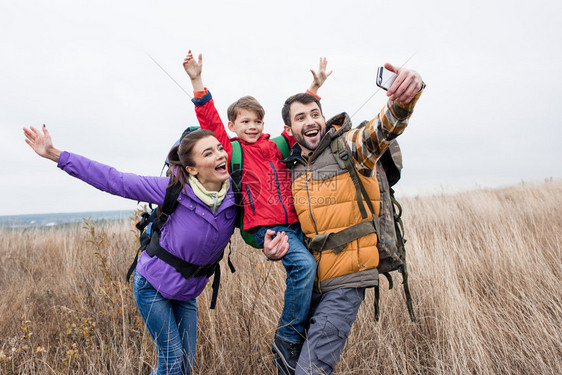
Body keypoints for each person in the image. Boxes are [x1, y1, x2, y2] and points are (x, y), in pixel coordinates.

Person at [22, 124, 290, 375]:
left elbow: (253, 231)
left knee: (185, 366)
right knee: (172, 363)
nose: (220, 154)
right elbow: (114, 180)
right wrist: (56, 154)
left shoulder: (236, 196)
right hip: (152, 286)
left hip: (187, 291)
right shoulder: (173, 190)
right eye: (208, 152)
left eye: (220, 148)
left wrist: (267, 249)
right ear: (193, 168)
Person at [182, 51, 331, 375]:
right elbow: (209, 121)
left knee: (315, 272)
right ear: (233, 125)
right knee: (304, 265)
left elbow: (303, 122)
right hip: (262, 226)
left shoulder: (276, 145)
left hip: (294, 224)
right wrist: (197, 80)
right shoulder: (232, 149)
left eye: (257, 121)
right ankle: (287, 338)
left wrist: (315, 87)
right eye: (245, 121)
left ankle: (303, 336)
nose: (252, 126)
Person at [281, 63, 425, 375]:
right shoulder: (292, 170)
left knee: (310, 370)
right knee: (288, 364)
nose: (310, 122)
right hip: (309, 286)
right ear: (290, 129)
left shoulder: (350, 148)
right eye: (300, 117)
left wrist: (404, 99)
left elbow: (384, 127)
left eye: (314, 114)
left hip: (348, 279)